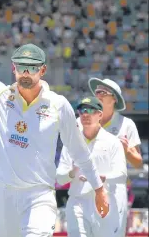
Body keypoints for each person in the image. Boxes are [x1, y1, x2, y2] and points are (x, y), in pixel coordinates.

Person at [0, 2, 109, 237]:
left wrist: (99, 188)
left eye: (31, 68)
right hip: (2, 195)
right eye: (21, 67)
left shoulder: (57, 104)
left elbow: (79, 151)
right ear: (13, 68)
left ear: (42, 71)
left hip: (39, 194)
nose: (25, 72)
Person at [56, 96, 127, 237]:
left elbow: (122, 175)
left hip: (105, 201)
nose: (85, 114)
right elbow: (59, 178)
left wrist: (101, 178)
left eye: (90, 110)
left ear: (100, 114)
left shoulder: (113, 142)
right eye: (82, 110)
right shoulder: (71, 144)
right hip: (77, 202)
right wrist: (73, 171)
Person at [88, 78, 143, 237]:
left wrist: (126, 150)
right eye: (96, 92)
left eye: (102, 92)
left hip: (114, 190)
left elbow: (138, 163)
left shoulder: (126, 124)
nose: (97, 95)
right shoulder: (86, 121)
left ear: (114, 99)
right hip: (87, 189)